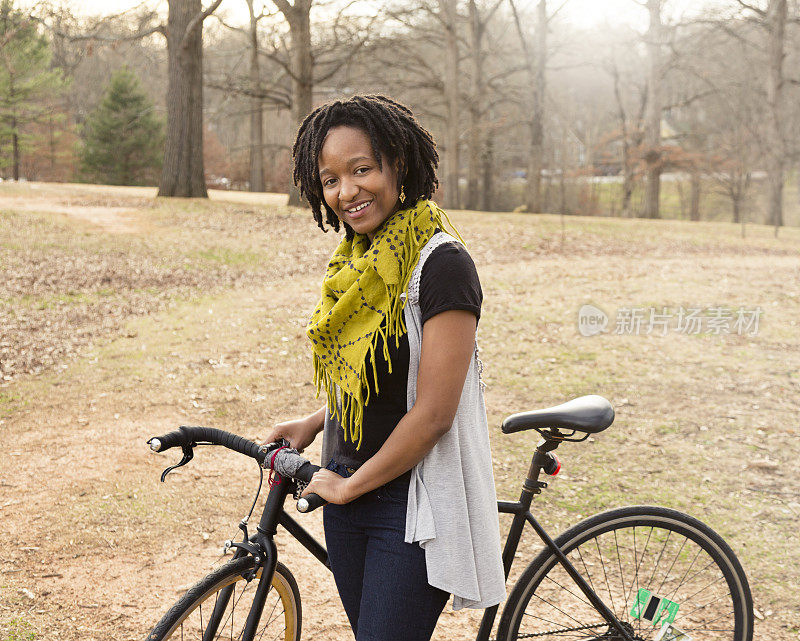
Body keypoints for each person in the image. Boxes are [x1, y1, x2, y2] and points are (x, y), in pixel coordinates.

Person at [264, 94, 505, 641]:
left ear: (398, 163)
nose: (346, 191)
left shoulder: (442, 266)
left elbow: (433, 412)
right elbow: (376, 374)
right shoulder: (357, 263)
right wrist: (316, 421)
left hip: (409, 503)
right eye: (329, 179)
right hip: (342, 488)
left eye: (361, 169)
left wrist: (352, 488)